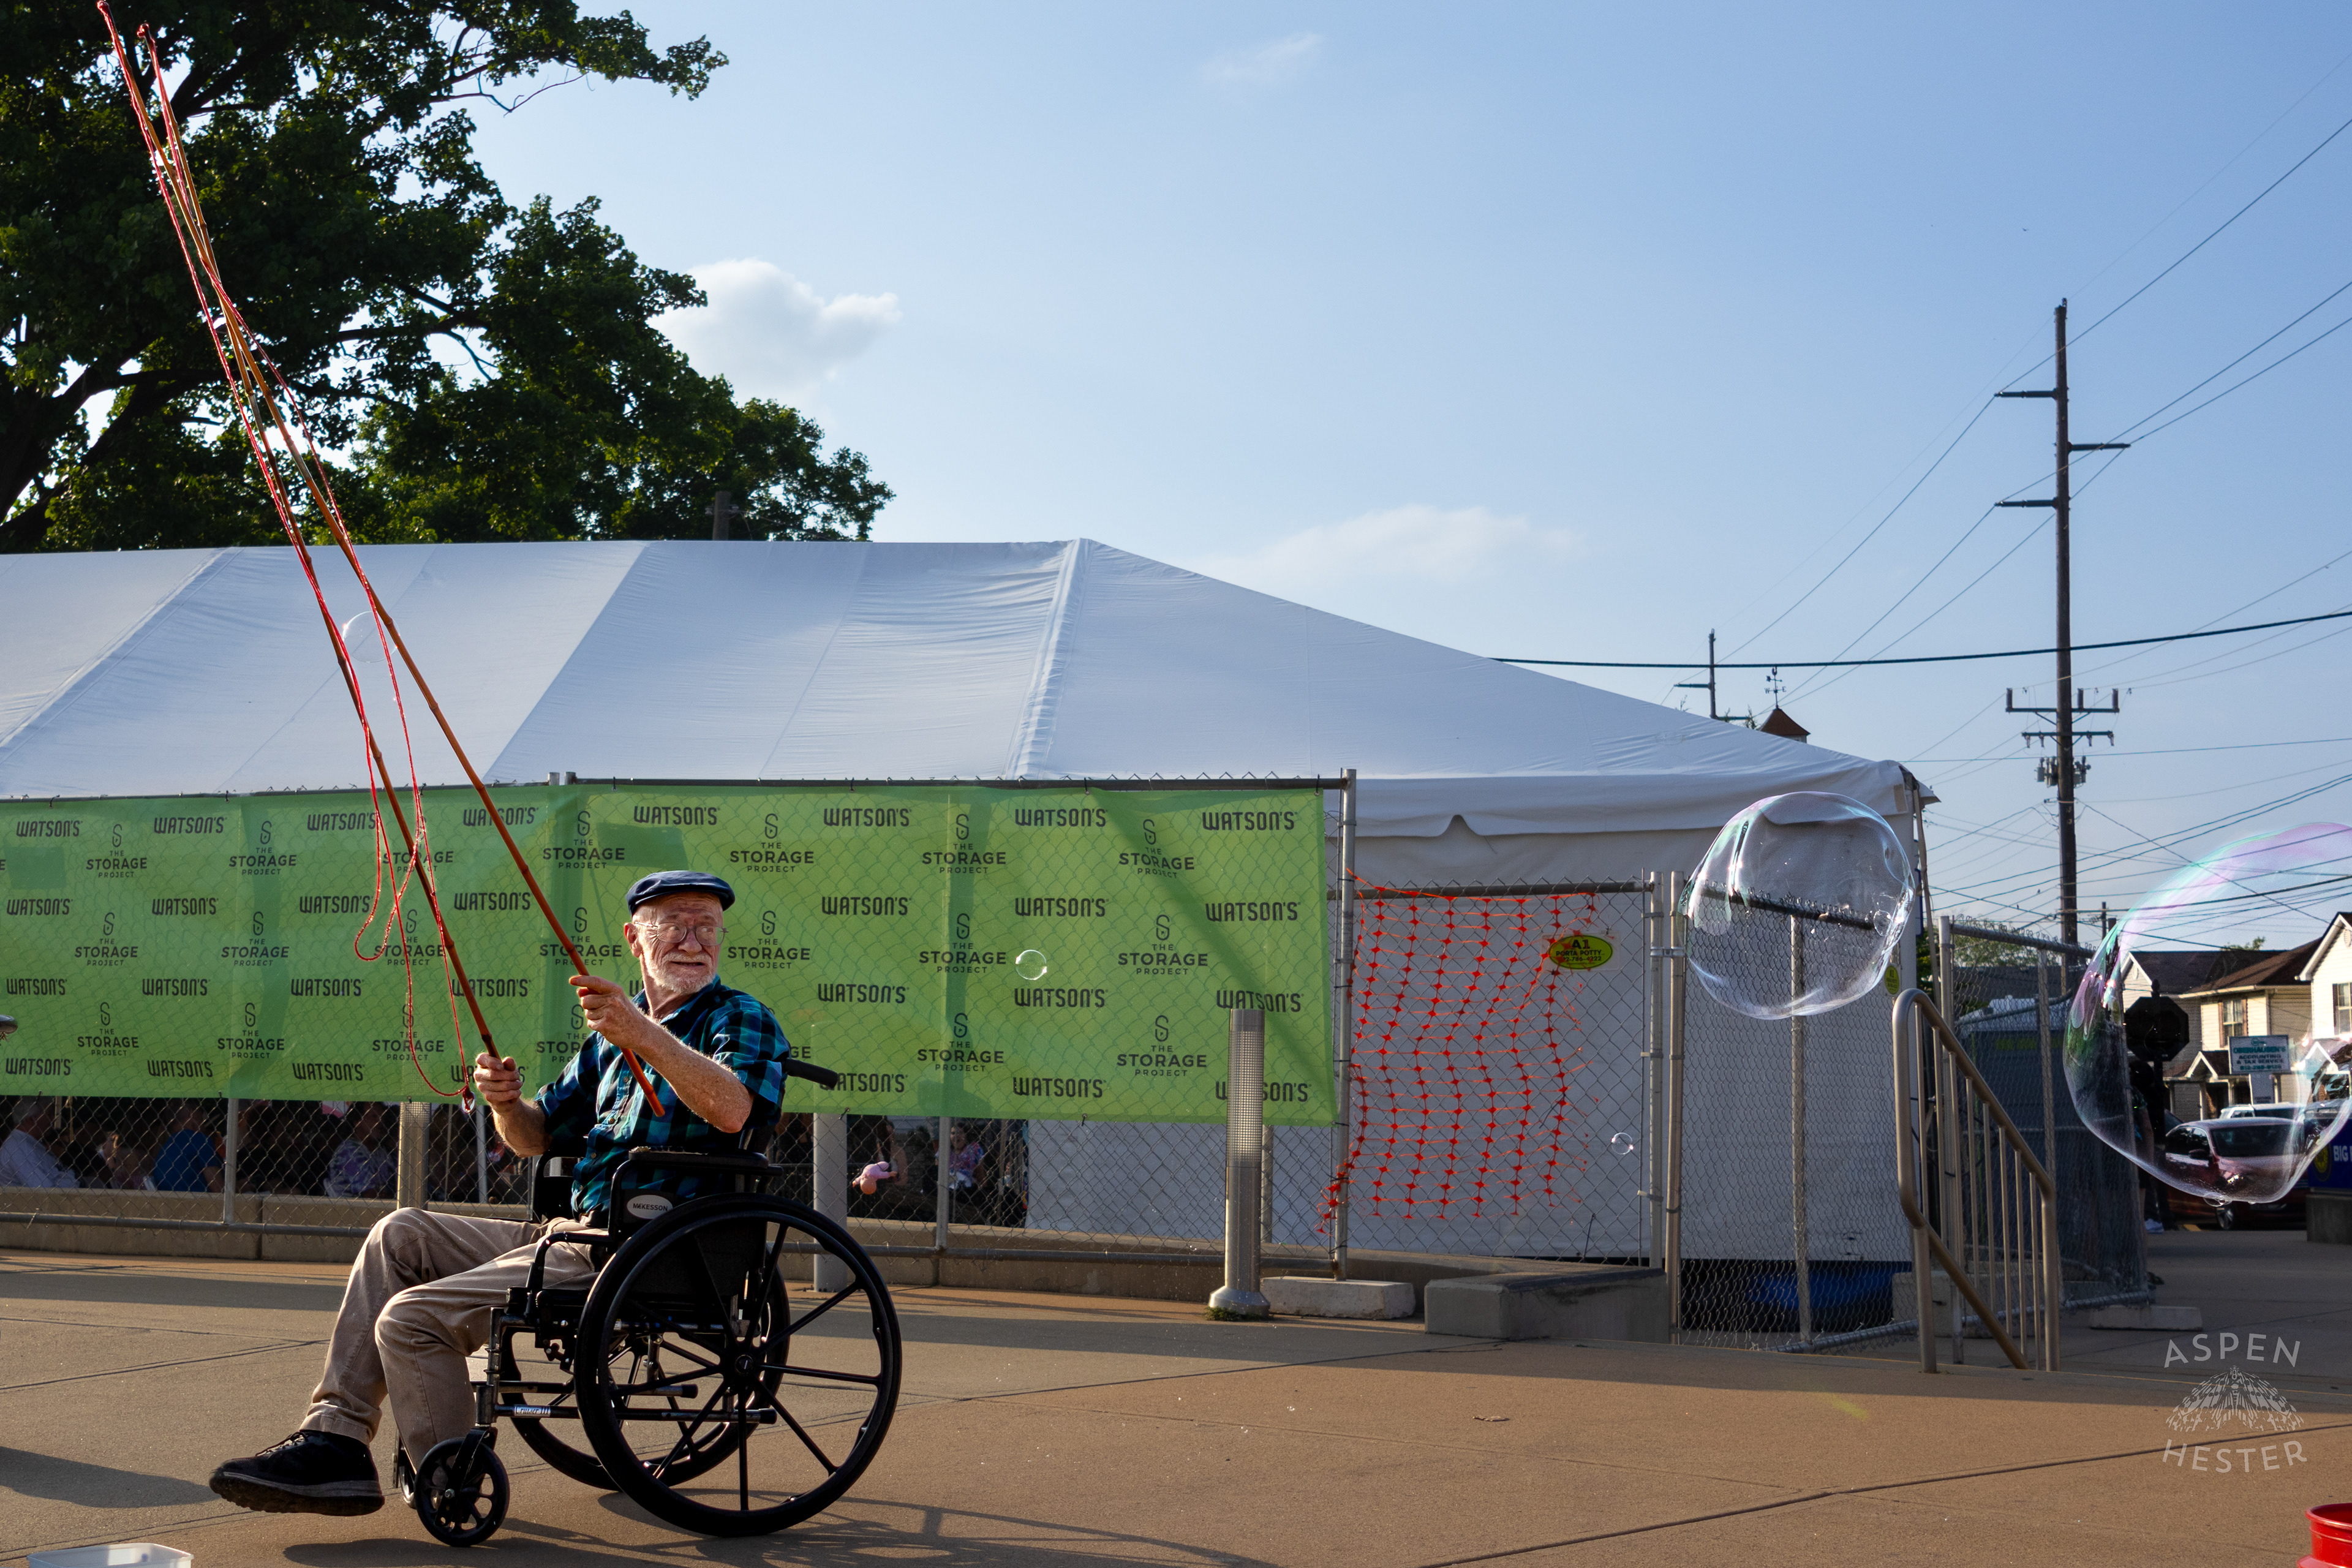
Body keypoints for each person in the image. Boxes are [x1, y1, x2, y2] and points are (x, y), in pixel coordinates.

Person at [206, 869, 883, 1519]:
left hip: (646, 1245)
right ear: (634, 938)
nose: (693, 940)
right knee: (399, 1232)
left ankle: (447, 1468)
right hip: (575, 1231)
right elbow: (534, 1135)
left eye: (707, 926)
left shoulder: (738, 1017)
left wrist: (642, 1033)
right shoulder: (610, 1042)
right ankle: (336, 1438)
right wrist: (504, 1102)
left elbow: (733, 1108)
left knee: (409, 1318)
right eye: (674, 924)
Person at [0, 1096, 80, 1189]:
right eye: (49, 1114)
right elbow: (44, 1191)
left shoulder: (29, 1143)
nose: (53, 1119)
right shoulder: (19, 1148)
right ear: (30, 1119)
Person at [323, 1104, 396, 1199]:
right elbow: (370, 1196)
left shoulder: (380, 1150)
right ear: (357, 1122)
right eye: (374, 1117)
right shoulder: (350, 1151)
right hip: (351, 1209)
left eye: (382, 1117)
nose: (380, 1122)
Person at [150, 1101, 224, 1193]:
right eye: (201, 1114)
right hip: (201, 1202)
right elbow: (218, 1188)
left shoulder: (164, 1147)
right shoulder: (198, 1139)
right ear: (192, 1113)